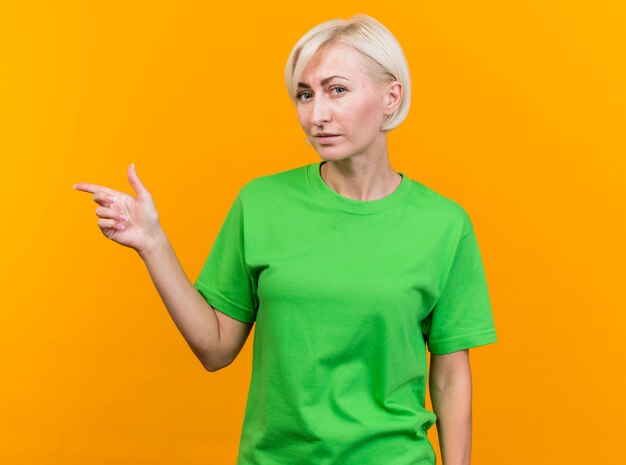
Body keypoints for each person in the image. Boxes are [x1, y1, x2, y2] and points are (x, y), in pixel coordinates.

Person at [73, 13, 497, 465]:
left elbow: (451, 377)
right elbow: (215, 349)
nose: (317, 115)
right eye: (304, 94)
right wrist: (152, 243)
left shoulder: (443, 224)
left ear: (391, 97)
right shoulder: (261, 203)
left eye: (337, 90)